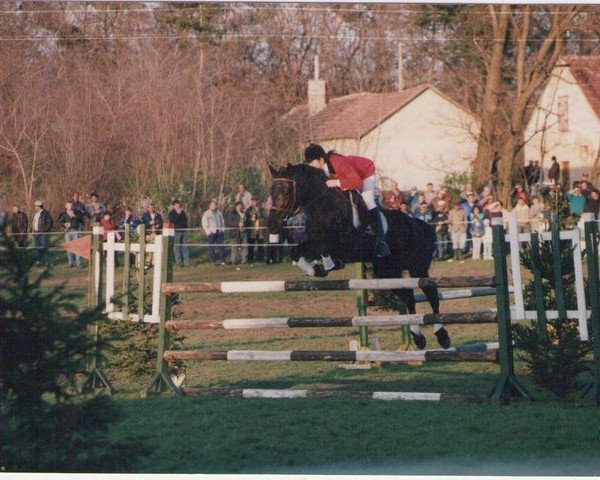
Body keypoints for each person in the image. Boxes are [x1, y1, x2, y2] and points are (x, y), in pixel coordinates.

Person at [303, 143, 390, 257]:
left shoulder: (336, 161)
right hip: (351, 177)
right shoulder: (321, 171)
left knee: (367, 199)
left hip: (365, 172)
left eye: (311, 162)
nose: (310, 166)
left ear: (321, 160)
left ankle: (381, 241)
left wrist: (337, 182)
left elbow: (357, 182)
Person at [58, 202, 84, 267]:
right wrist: (64, 224)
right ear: (66, 206)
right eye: (69, 206)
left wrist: (75, 216)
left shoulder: (76, 212)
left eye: (71, 205)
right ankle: (70, 262)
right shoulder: (63, 214)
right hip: (68, 232)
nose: (70, 207)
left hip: (75, 231)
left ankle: (78, 263)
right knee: (68, 247)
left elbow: (81, 219)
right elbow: (60, 222)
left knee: (77, 247)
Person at [201, 198, 226, 266]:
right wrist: (209, 232)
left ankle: (222, 261)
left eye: (215, 205)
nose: (214, 206)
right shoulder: (206, 213)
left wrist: (223, 229)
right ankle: (212, 261)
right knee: (211, 248)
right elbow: (204, 223)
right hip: (212, 232)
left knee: (221, 247)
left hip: (219, 232)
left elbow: (222, 221)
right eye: (213, 205)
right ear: (210, 206)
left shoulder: (219, 213)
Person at [168, 200, 190, 267]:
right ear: (174, 205)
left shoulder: (182, 212)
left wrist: (185, 227)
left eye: (179, 205)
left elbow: (185, 220)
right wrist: (178, 214)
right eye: (177, 205)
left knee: (185, 246)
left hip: (183, 231)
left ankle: (186, 261)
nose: (178, 206)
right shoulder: (172, 213)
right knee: (177, 247)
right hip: (176, 231)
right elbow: (173, 221)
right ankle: (179, 262)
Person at [226, 201, 248, 265]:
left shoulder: (244, 213)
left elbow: (246, 222)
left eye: (241, 206)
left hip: (244, 232)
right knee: (234, 248)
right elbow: (229, 222)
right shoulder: (232, 213)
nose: (240, 207)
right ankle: (233, 261)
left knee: (245, 246)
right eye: (238, 206)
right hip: (234, 233)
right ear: (236, 206)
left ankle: (244, 261)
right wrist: (237, 224)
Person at [32, 200, 53, 267]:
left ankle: (47, 261)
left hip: (43, 234)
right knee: (37, 248)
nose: (35, 207)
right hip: (36, 233)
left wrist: (44, 230)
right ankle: (38, 261)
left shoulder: (46, 213)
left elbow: (50, 223)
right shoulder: (36, 214)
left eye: (35, 206)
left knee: (44, 247)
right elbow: (34, 223)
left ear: (39, 206)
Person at [245, 196, 265, 263]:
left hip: (260, 230)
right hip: (252, 230)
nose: (255, 202)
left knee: (260, 245)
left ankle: (261, 259)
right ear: (251, 201)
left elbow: (265, 217)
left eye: (256, 200)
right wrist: (250, 220)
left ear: (258, 201)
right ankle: (250, 259)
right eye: (253, 201)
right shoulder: (248, 210)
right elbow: (246, 220)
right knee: (251, 245)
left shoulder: (262, 209)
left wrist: (259, 217)